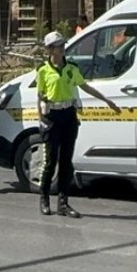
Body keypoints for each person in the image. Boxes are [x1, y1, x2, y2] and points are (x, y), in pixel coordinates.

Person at [36, 31, 120, 217]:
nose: (62, 48)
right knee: (50, 162)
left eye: (63, 45)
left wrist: (106, 100)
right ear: (50, 50)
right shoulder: (43, 70)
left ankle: (63, 203)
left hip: (68, 115)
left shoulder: (71, 69)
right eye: (58, 46)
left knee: (66, 161)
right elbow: (40, 94)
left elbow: (85, 86)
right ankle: (44, 198)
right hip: (52, 116)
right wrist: (41, 118)